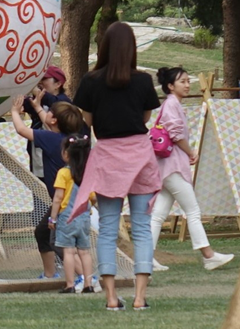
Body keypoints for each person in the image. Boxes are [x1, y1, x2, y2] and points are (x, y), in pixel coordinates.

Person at [71, 21, 162, 312]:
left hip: (108, 156)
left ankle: (111, 298)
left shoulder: (91, 81)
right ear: (132, 48)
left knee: (108, 229)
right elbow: (146, 117)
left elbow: (87, 121)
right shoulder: (144, 81)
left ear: (105, 47)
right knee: (142, 228)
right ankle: (139, 297)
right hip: (140, 156)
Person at [150, 67, 234, 271]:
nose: (188, 85)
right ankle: (209, 255)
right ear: (170, 86)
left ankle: (146, 257)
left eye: (188, 81)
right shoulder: (171, 104)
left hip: (166, 167)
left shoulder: (172, 104)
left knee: (158, 214)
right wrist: (191, 152)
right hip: (173, 166)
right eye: (183, 82)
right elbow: (176, 134)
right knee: (193, 210)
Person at [10, 95, 84, 279]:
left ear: (54, 120)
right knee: (43, 232)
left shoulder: (50, 139)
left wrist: (13, 111)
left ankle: (86, 276)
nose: (46, 113)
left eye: (48, 111)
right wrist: (37, 108)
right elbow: (48, 121)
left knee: (59, 243)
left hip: (64, 203)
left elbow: (21, 129)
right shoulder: (71, 139)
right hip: (72, 200)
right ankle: (50, 273)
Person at [50, 136, 93, 293]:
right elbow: (93, 196)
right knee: (85, 252)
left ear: (66, 154)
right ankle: (88, 284)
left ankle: (70, 285)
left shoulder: (63, 173)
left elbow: (58, 198)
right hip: (84, 217)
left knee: (68, 252)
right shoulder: (88, 174)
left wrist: (53, 218)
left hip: (67, 218)